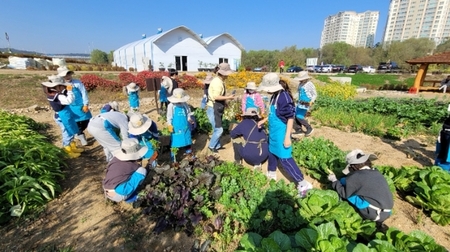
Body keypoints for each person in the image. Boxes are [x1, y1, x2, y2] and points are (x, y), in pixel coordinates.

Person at [257, 73, 313, 197]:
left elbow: (290, 119)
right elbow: (273, 114)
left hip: (282, 133)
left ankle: (303, 183)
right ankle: (271, 173)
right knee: (271, 152)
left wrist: (287, 137)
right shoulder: (275, 96)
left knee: (285, 158)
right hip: (274, 133)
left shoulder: (284, 98)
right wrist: (264, 120)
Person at [328, 149, 394, 224]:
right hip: (387, 212)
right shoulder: (376, 172)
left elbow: (344, 193)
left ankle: (365, 216)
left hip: (374, 213)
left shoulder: (356, 176)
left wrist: (334, 181)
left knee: (351, 196)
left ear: (353, 166)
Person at [42, 75, 84, 158]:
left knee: (71, 129)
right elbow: (69, 101)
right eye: (62, 86)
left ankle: (72, 147)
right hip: (62, 117)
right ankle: (67, 150)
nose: (64, 87)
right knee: (67, 132)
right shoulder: (58, 96)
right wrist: (70, 91)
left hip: (64, 114)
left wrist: (65, 90)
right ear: (57, 86)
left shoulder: (52, 93)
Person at [102, 138, 149, 203]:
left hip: (107, 190)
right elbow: (141, 169)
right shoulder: (133, 165)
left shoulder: (115, 159)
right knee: (142, 171)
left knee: (126, 176)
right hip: (118, 194)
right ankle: (132, 194)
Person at [58, 68, 92, 146]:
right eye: (65, 75)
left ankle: (78, 133)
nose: (68, 76)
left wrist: (85, 104)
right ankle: (80, 135)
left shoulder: (77, 82)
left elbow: (84, 93)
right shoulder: (60, 85)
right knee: (75, 121)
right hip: (69, 106)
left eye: (69, 74)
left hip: (80, 105)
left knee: (86, 120)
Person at [206, 63, 235, 153]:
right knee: (219, 129)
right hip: (213, 108)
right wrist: (228, 98)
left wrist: (225, 103)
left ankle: (217, 145)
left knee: (217, 128)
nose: (228, 76)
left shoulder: (219, 80)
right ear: (223, 73)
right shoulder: (217, 82)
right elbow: (216, 96)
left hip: (217, 107)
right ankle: (211, 146)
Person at [167, 88, 195, 160]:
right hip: (176, 128)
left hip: (185, 127)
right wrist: (169, 125)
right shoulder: (171, 106)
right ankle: (174, 159)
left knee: (187, 141)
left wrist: (190, 120)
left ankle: (190, 155)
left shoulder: (185, 105)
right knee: (175, 143)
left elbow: (188, 114)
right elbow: (169, 117)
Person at [292, 71, 317, 138]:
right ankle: (298, 130)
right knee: (295, 115)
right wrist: (293, 97)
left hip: (306, 102)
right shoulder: (300, 84)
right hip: (300, 102)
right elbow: (298, 93)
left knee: (299, 116)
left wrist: (312, 101)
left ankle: (309, 128)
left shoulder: (309, 84)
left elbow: (314, 94)